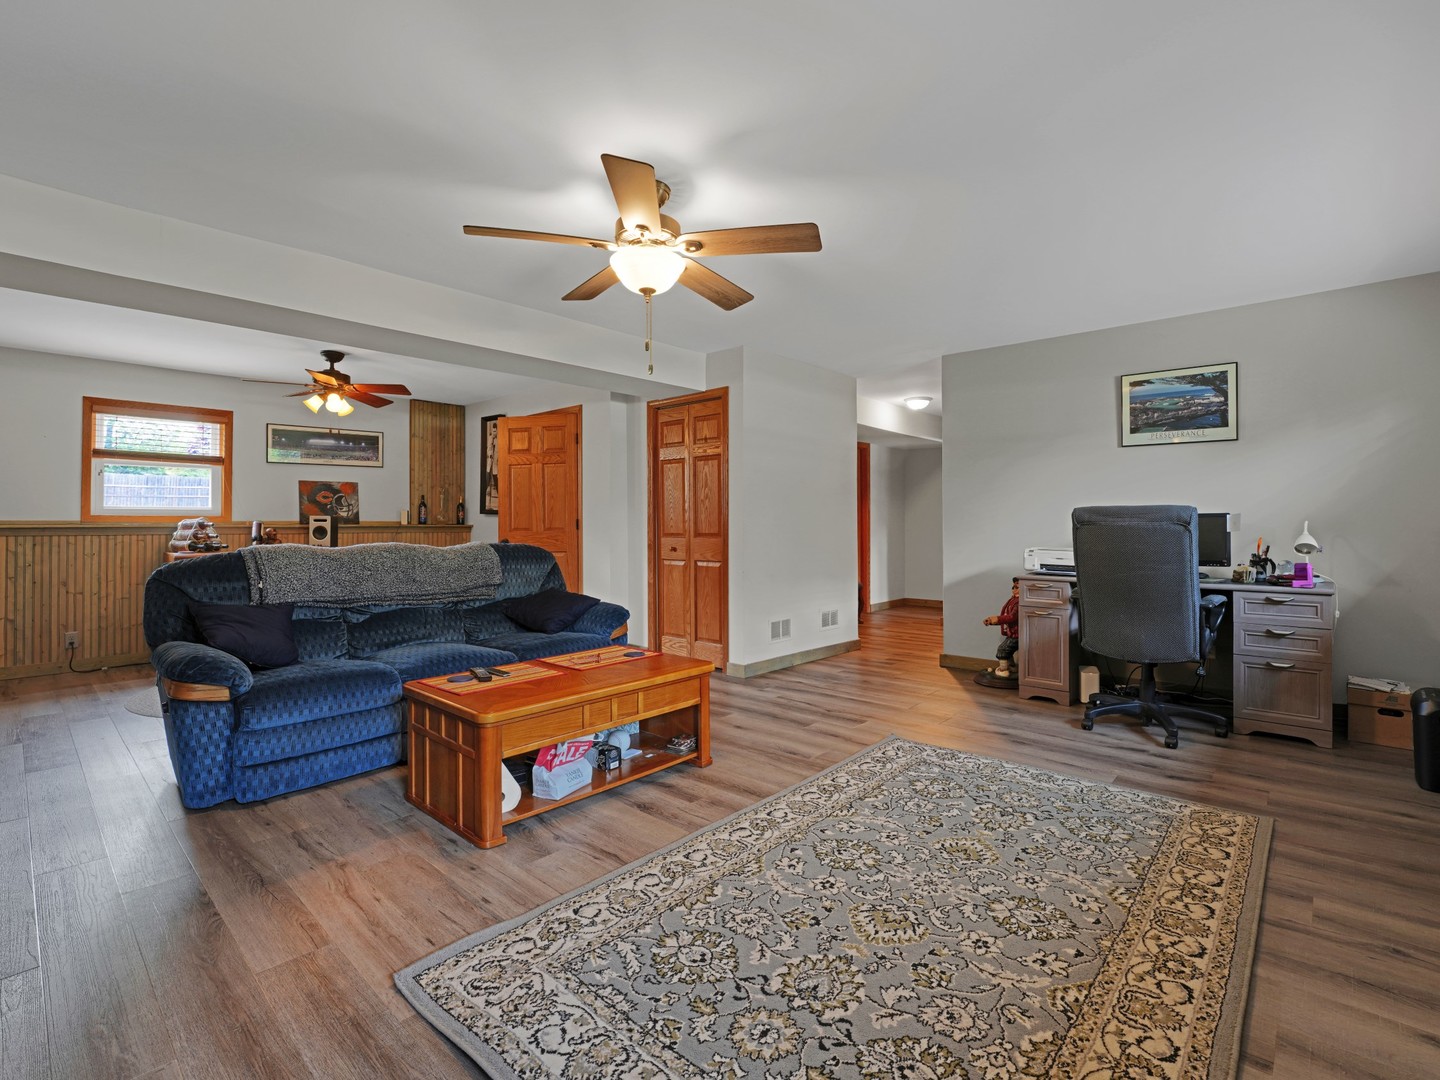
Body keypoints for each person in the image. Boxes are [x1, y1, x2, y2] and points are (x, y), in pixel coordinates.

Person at [982, 577, 1021, 679]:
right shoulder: (1013, 600)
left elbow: (1012, 617)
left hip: (1017, 634)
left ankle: (1003, 670)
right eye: (1013, 587)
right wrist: (993, 621)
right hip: (1012, 633)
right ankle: (1011, 667)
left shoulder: (1019, 602)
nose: (1014, 589)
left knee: (1003, 650)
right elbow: (1006, 616)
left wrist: (996, 619)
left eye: (1017, 587)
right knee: (1008, 650)